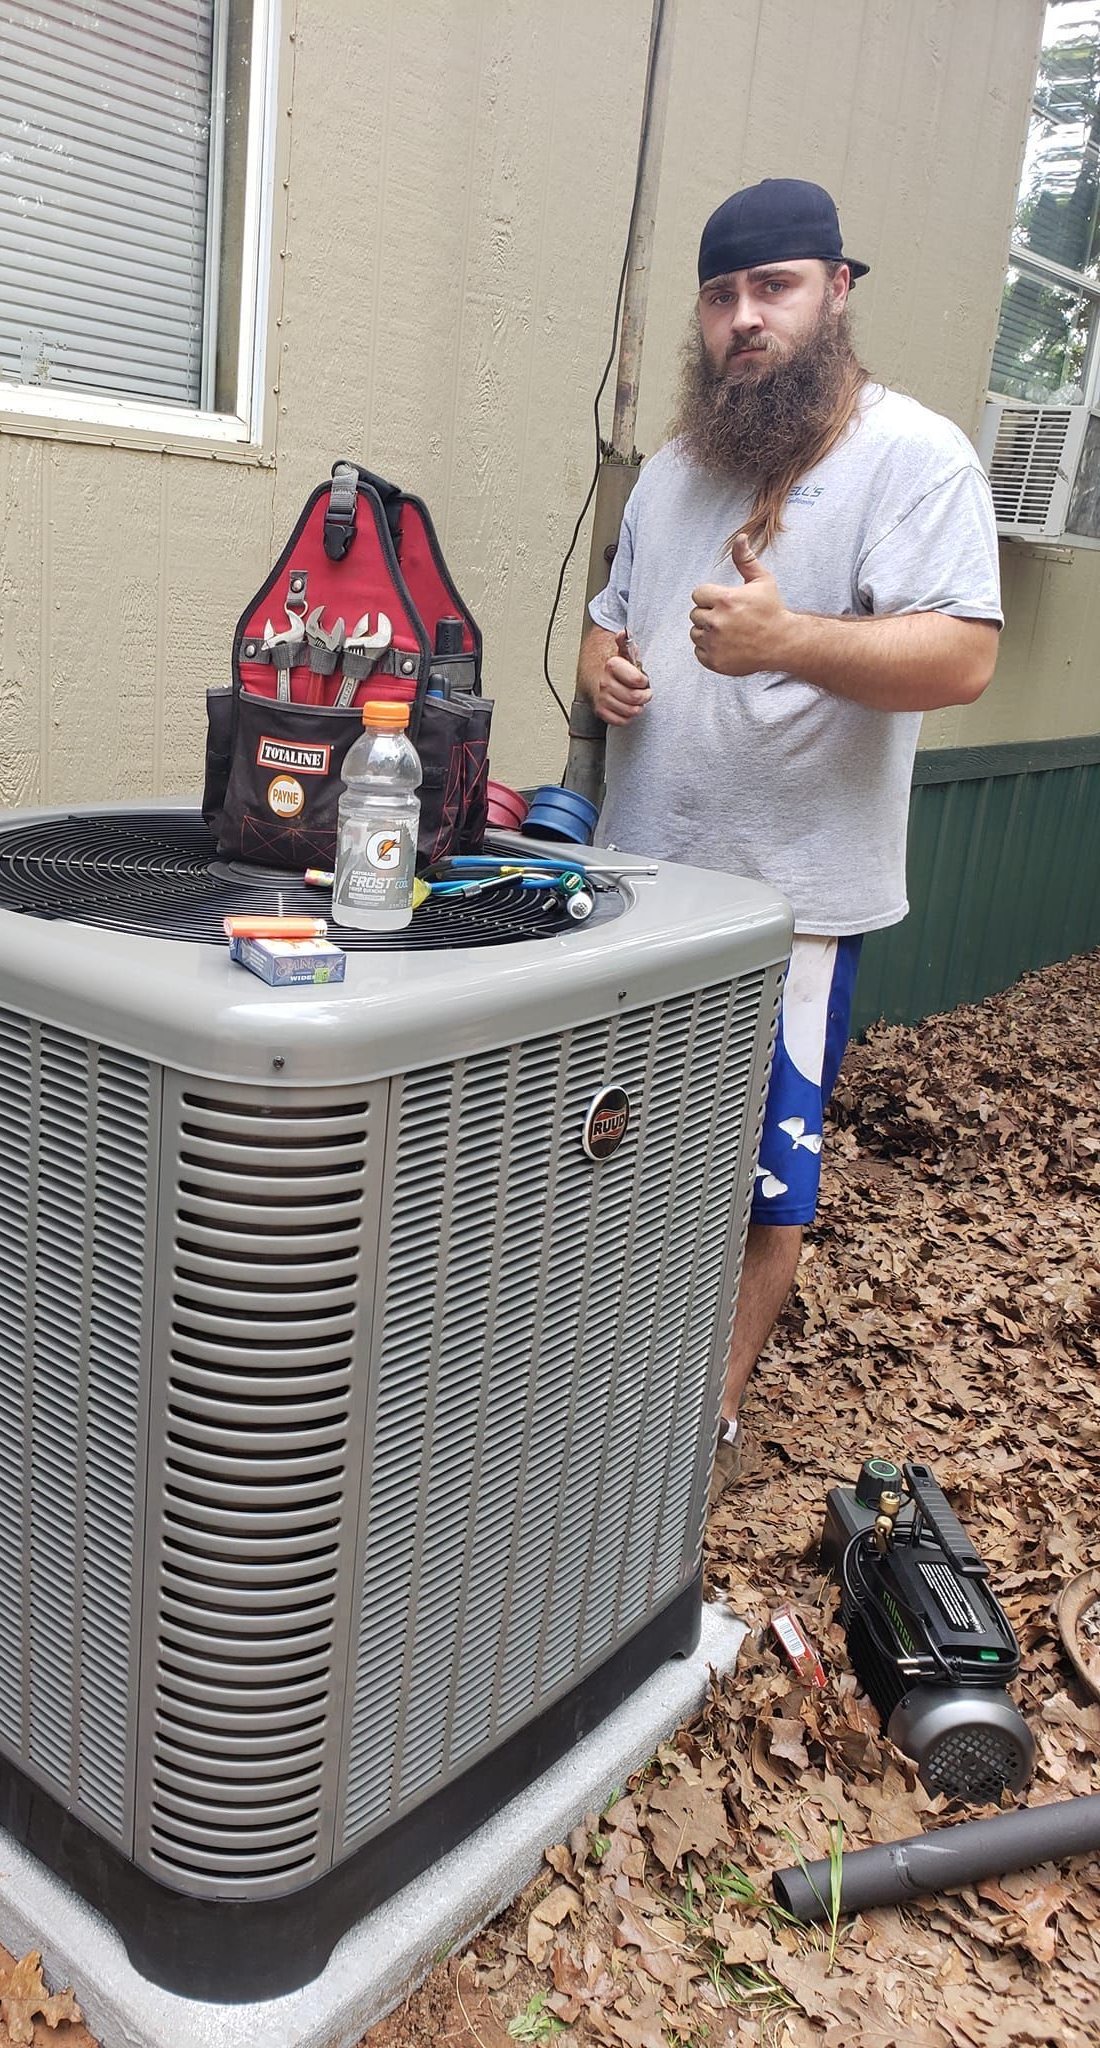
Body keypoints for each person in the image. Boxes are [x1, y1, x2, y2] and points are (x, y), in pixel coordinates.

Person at [576, 178, 1001, 1498]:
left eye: (774, 288)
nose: (744, 320)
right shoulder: (676, 469)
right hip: (640, 877)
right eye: (721, 295)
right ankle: (588, 1359)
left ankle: (699, 1408)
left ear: (836, 292)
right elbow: (611, 611)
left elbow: (964, 657)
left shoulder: (913, 456)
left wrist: (790, 641)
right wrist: (603, 661)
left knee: (765, 1174)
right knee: (612, 1133)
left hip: (793, 905)